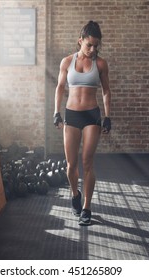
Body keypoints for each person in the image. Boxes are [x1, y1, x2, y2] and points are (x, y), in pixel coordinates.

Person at [53, 20, 112, 226]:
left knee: (87, 163)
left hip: (92, 117)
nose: (93, 49)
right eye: (89, 45)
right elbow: (60, 88)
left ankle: (86, 207)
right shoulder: (67, 62)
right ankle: (75, 194)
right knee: (71, 166)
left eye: (97, 45)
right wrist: (56, 112)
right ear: (80, 41)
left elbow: (106, 91)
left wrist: (108, 116)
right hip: (71, 115)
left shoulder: (101, 64)